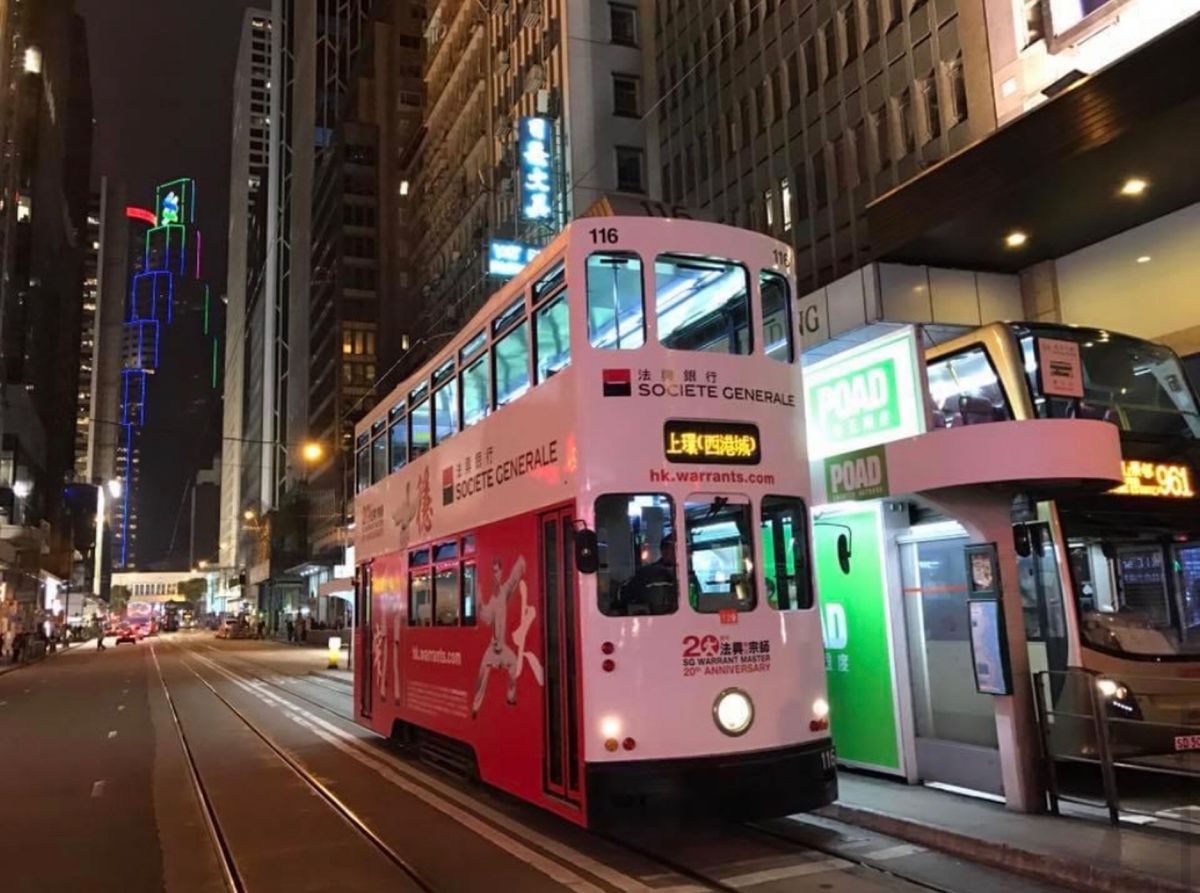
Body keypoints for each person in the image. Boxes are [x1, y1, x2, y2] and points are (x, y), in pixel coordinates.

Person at [472, 555, 543, 717]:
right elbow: (486, 618)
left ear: (501, 572)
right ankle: (475, 708)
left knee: (513, 665)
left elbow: (513, 579)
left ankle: (511, 697)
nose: (496, 574)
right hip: (492, 647)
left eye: (497, 571)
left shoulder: (503, 592)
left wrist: (520, 562)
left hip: (502, 647)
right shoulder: (492, 600)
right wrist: (479, 602)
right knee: (482, 676)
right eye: (493, 571)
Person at [619, 533, 688, 615]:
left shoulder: (688, 575)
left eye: (687, 549)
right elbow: (623, 595)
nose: (685, 553)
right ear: (664, 551)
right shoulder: (648, 574)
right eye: (676, 549)